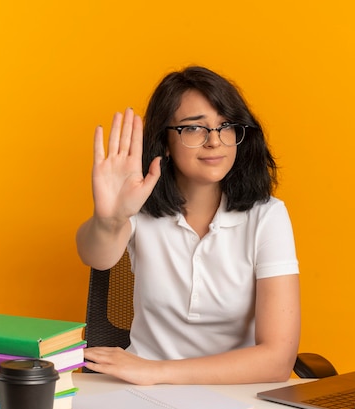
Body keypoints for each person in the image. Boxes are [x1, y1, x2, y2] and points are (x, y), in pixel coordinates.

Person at [76, 66, 300, 385]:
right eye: (194, 129)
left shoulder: (267, 215)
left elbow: (278, 361)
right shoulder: (138, 206)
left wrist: (156, 372)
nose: (215, 142)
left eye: (225, 126)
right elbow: (96, 255)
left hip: (233, 393)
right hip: (137, 392)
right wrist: (110, 219)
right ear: (165, 142)